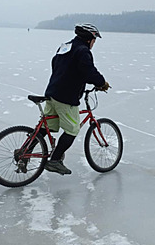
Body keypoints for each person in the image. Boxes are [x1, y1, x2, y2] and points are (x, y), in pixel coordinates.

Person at [43, 23, 109, 175]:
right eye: (94, 40)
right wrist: (102, 83)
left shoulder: (65, 46)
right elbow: (89, 71)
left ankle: (24, 152)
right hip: (65, 97)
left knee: (47, 126)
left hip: (52, 92)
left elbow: (56, 65)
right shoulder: (82, 51)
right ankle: (55, 160)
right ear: (88, 39)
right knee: (72, 129)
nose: (94, 43)